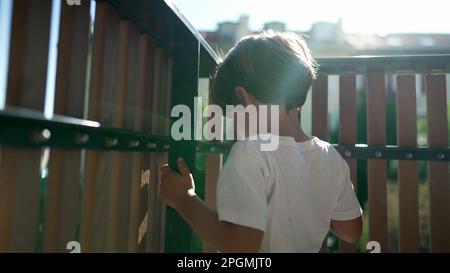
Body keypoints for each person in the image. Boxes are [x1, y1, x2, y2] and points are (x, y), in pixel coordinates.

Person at [160, 31, 362, 252]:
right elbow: (351, 230)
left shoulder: (250, 153)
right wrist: (310, 204)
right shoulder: (329, 156)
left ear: (242, 97)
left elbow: (241, 245)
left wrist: (183, 199)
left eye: (230, 115)